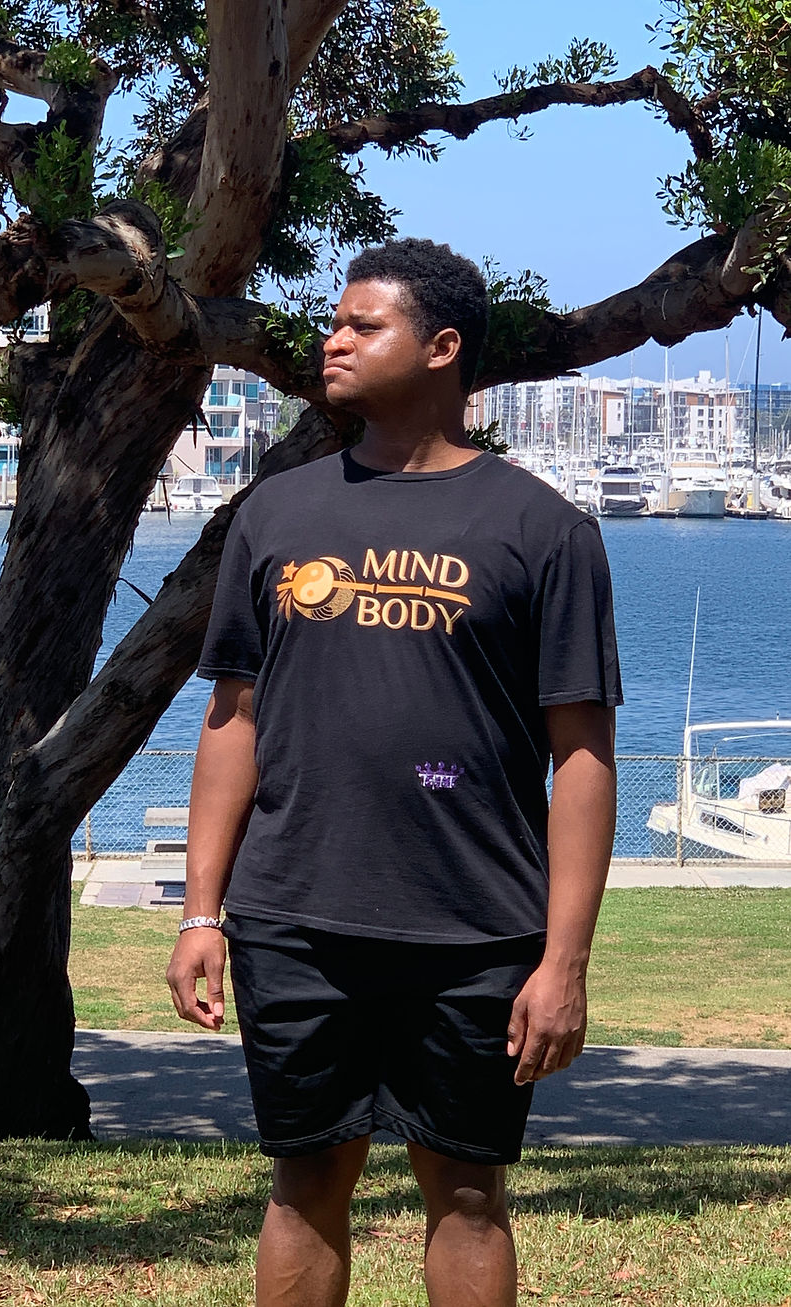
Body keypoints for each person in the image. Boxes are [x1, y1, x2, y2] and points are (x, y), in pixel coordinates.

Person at [166, 237, 621, 1307]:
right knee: (303, 1181)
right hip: (294, 918)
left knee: (466, 1193)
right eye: (335, 321)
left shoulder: (543, 530)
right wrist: (200, 913)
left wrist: (563, 959)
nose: (332, 340)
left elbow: (582, 754)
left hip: (476, 931)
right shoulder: (277, 513)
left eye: (362, 325)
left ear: (441, 348)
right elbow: (231, 719)